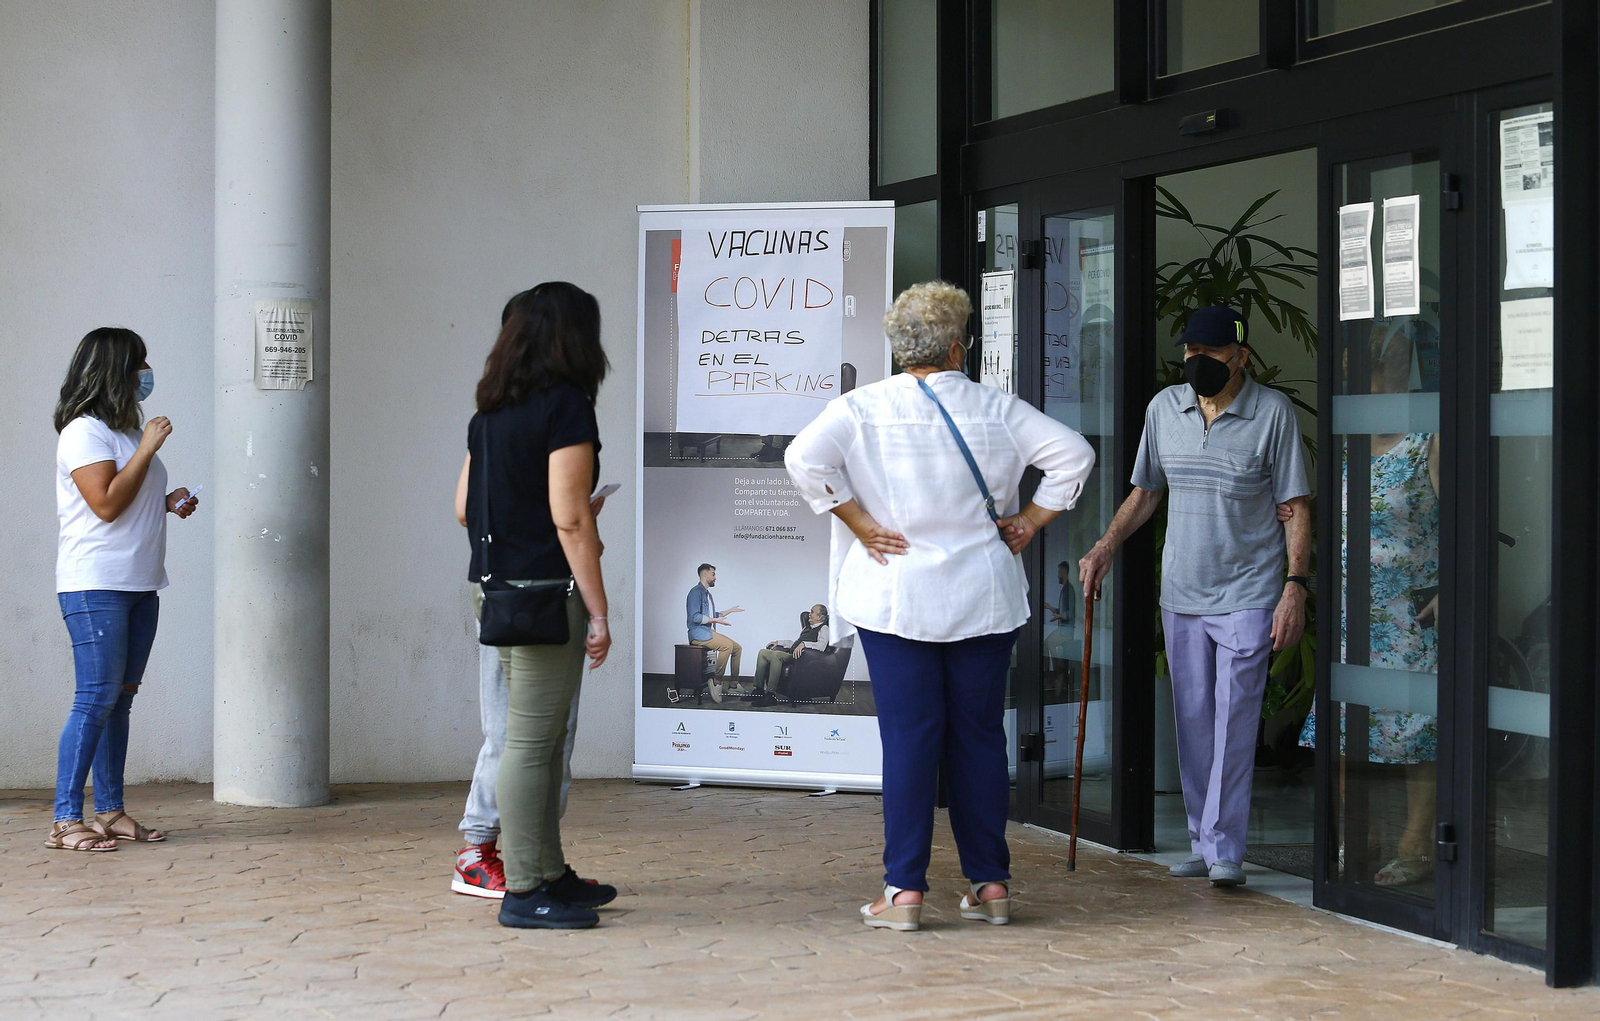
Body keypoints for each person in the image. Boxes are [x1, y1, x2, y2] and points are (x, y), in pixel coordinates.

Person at [787, 281, 1095, 931]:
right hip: (983, 596)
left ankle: (904, 893)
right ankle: (991, 886)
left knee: (908, 740)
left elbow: (802, 458)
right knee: (980, 738)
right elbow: (1075, 454)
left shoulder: (862, 406)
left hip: (896, 595)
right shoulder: (997, 408)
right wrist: (1032, 520)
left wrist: (860, 519)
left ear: (900, 348)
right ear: (959, 346)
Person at [1079, 305, 1311, 887]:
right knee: (1192, 720)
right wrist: (1106, 544)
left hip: (1250, 591)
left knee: (1235, 719)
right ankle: (1202, 841)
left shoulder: (1273, 414)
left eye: (1209, 354)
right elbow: (1145, 493)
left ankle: (1226, 848)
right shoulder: (1165, 409)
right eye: (1190, 353)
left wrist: (1294, 589)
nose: (1196, 362)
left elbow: (1296, 508)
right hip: (1181, 592)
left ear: (1241, 357)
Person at [454, 281, 616, 930]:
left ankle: (549, 871)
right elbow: (571, 519)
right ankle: (525, 887)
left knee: (537, 741)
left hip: (493, 588)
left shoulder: (488, 412)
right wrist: (600, 611)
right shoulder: (567, 406)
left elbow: (465, 508)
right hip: (546, 593)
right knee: (531, 742)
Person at [1298, 319, 1440, 887]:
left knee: (1416, 728)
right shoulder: (1348, 440)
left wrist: (1453, 589)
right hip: (1353, 606)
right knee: (1344, 722)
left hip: (1411, 610)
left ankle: (1419, 843)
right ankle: (1358, 833)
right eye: (1370, 368)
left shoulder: (1429, 438)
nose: (1376, 379)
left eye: (1385, 367)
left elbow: (1468, 519)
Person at [48, 327, 199, 853]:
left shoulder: (128, 434)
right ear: (115, 369)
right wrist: (151, 448)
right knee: (94, 699)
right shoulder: (83, 432)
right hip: (96, 585)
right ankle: (66, 820)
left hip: (139, 583)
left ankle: (109, 811)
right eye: (140, 363)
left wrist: (167, 499)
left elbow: (129, 499)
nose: (146, 373)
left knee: (121, 701)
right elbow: (106, 504)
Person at [743, 604, 830, 700]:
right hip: (792, 655)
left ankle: (770, 694)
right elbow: (794, 643)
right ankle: (758, 690)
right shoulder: (807, 628)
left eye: (812, 612)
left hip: (802, 659)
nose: (809, 614)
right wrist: (778, 642)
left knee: (776, 655)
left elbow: (821, 646)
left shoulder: (824, 628)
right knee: (763, 653)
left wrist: (805, 644)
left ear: (819, 617)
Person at [685, 564, 743, 701]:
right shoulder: (695, 592)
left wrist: (730, 610)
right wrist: (716, 621)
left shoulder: (707, 595)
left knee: (737, 648)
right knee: (727, 646)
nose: (715, 577)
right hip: (698, 634)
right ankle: (716, 681)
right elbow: (694, 617)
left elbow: (712, 615)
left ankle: (733, 685)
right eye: (713, 574)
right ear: (705, 574)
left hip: (707, 631)